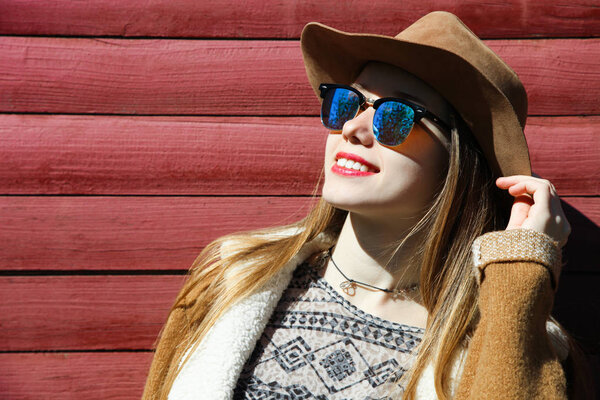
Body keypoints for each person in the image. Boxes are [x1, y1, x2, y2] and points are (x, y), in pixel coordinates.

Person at [142, 11, 589, 400]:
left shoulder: (518, 346)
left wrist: (521, 273)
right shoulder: (234, 278)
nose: (354, 127)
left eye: (395, 114)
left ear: (458, 161)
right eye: (347, 102)